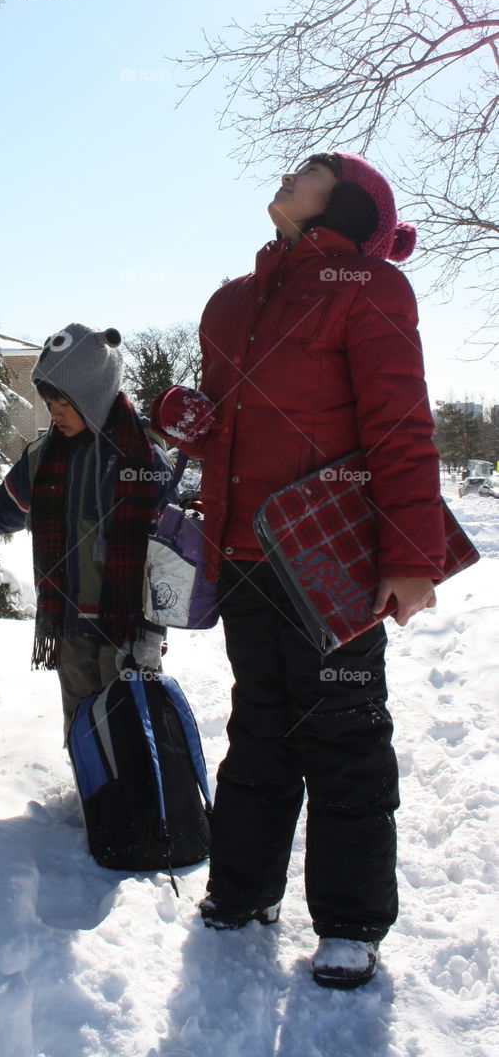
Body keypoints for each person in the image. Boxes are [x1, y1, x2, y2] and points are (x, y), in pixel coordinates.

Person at [150, 152, 445, 990]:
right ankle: (243, 891)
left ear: (346, 202)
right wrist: (193, 423)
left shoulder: (371, 287)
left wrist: (409, 557)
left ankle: (349, 923)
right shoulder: (231, 301)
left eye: (308, 169)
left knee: (343, 735)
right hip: (244, 549)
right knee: (259, 725)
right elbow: (235, 432)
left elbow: (399, 427)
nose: (286, 175)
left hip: (330, 554)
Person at [0, 322, 173, 738]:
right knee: (82, 725)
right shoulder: (43, 456)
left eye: (64, 401)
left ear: (93, 394)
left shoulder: (142, 455)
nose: (54, 411)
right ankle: (91, 797)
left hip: (126, 626)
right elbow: (5, 509)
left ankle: (139, 801)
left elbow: (166, 553)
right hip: (71, 621)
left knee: (130, 731)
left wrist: (151, 631)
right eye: (49, 400)